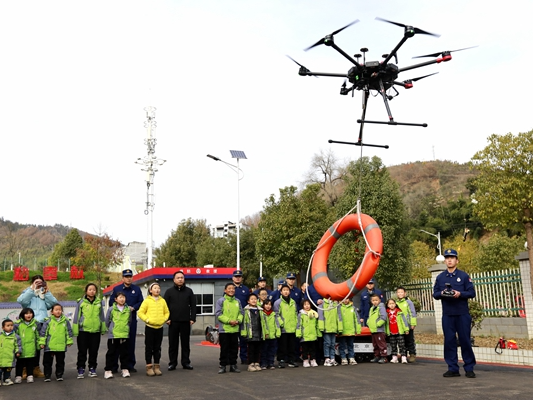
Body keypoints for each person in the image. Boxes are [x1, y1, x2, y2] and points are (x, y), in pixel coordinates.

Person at [433, 248, 477, 378]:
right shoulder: (440, 277)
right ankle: (452, 368)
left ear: (457, 260)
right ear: (445, 261)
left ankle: (469, 368)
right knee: (449, 341)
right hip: (448, 315)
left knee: (465, 341)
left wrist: (460, 294)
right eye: (447, 258)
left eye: (452, 258)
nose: (449, 260)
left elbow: (471, 293)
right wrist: (441, 293)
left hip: (462, 314)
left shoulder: (463, 276)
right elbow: (435, 294)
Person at [17, 274, 57, 378]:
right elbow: (22, 301)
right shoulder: (28, 292)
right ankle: (25, 369)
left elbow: (53, 304)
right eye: (36, 282)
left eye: (41, 282)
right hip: (29, 323)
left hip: (42, 322)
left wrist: (46, 292)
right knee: (27, 345)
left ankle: (35, 368)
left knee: (38, 346)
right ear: (32, 283)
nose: (39, 284)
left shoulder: (44, 293)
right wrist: (32, 289)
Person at [108, 269, 143, 373]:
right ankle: (114, 366)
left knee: (130, 343)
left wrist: (134, 308)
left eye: (130, 276)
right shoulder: (116, 289)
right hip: (118, 321)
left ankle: (129, 365)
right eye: (126, 276)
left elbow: (141, 301)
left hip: (130, 320)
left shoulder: (136, 289)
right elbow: (111, 302)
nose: (128, 278)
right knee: (116, 344)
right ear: (123, 278)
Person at [72, 283, 106, 379]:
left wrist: (102, 328)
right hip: (83, 331)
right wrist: (76, 330)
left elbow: (102, 317)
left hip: (95, 331)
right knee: (82, 351)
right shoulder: (81, 302)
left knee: (94, 351)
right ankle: (81, 369)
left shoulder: (99, 303)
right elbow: (76, 317)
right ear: (86, 291)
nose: (92, 291)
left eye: (94, 289)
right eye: (90, 289)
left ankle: (92, 368)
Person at [164, 270, 196, 371]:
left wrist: (192, 318)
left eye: (182, 277)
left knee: (185, 343)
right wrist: (167, 319)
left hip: (185, 321)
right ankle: (172, 363)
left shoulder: (189, 291)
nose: (180, 279)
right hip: (172, 322)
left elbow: (193, 305)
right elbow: (164, 307)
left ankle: (186, 362)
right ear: (174, 279)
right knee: (173, 344)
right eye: (178, 278)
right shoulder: (169, 292)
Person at [139, 282, 170, 377]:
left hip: (159, 328)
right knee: (149, 348)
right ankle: (149, 367)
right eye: (155, 288)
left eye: (158, 288)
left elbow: (167, 312)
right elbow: (140, 312)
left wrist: (164, 319)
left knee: (157, 348)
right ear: (150, 290)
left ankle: (157, 367)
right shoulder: (147, 301)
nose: (157, 290)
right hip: (150, 328)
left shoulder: (163, 301)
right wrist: (147, 320)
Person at [39, 303, 74, 382]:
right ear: (52, 312)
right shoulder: (48, 321)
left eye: (60, 310)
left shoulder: (65, 321)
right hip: (49, 346)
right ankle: (47, 375)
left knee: (60, 362)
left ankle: (59, 374)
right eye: (56, 310)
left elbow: (68, 332)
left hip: (61, 346)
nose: (58, 311)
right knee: (47, 362)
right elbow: (43, 333)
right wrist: (42, 343)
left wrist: (69, 341)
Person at [215, 282, 244, 374]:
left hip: (235, 329)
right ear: (225, 290)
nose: (231, 290)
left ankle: (233, 365)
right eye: (229, 288)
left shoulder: (237, 301)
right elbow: (218, 314)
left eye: (233, 288)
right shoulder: (221, 301)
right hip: (224, 330)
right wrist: (229, 321)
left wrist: (238, 321)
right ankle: (223, 365)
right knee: (224, 349)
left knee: (234, 349)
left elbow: (241, 313)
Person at [104, 292, 131, 379]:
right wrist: (111, 329)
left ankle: (124, 369)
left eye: (123, 297)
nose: (122, 299)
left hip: (124, 335)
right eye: (120, 297)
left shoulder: (128, 309)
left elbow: (129, 321)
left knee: (124, 353)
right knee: (111, 353)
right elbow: (107, 321)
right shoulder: (111, 309)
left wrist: (125, 328)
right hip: (113, 335)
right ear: (115, 299)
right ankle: (108, 370)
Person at [273, 283, 298, 368]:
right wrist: (281, 323)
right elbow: (276, 314)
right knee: (282, 346)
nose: (286, 292)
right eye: (284, 290)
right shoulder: (278, 302)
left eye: (287, 290)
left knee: (292, 345)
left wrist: (296, 324)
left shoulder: (293, 302)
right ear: (281, 292)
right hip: (283, 328)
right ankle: (281, 360)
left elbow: (295, 313)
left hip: (292, 327)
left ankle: (291, 360)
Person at [241, 293, 264, 372]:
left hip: (259, 333)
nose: (254, 300)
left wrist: (265, 332)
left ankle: (257, 363)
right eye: (252, 299)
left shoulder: (260, 310)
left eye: (255, 299)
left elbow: (264, 323)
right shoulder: (246, 311)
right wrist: (244, 332)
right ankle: (250, 364)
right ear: (248, 301)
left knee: (258, 349)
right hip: (250, 333)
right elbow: (244, 323)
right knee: (251, 350)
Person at [14, 308, 38, 384]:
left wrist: (39, 345)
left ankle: (30, 376)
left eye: (30, 313)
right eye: (26, 313)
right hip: (21, 348)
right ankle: (18, 376)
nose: (29, 315)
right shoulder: (18, 324)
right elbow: (15, 336)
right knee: (20, 363)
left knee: (30, 363)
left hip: (31, 348)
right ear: (22, 315)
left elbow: (38, 336)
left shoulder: (35, 324)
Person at [231, 270, 250, 364]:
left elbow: (249, 302)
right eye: (236, 276)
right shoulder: (230, 288)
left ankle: (244, 357)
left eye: (239, 276)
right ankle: (232, 359)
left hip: (243, 318)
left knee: (243, 339)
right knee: (233, 341)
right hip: (233, 319)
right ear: (232, 278)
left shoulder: (246, 289)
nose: (238, 278)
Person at [318, 298, 342, 366]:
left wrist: (339, 328)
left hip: (334, 328)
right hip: (326, 328)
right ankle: (327, 358)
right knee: (327, 343)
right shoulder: (322, 304)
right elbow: (321, 316)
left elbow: (339, 316)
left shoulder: (336, 304)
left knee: (332, 344)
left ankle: (332, 358)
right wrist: (321, 327)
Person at [396, 286, 418, 363]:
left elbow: (412, 313)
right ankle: (403, 355)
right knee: (402, 341)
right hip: (400, 326)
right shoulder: (396, 303)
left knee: (410, 340)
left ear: (405, 293)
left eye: (401, 292)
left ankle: (412, 354)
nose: (400, 294)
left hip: (408, 324)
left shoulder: (408, 302)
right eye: (398, 292)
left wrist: (413, 323)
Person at [296, 299, 320, 368]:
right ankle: (305, 360)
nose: (307, 306)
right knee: (305, 349)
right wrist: (299, 334)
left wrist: (318, 334)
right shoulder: (301, 314)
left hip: (313, 335)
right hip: (305, 336)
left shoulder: (314, 314)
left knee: (313, 349)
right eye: (305, 304)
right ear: (302, 306)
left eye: (308, 304)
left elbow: (316, 325)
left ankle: (313, 360)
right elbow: (299, 325)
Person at [338, 297, 361, 366]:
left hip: (351, 331)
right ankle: (343, 358)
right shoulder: (339, 308)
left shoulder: (353, 308)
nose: (345, 300)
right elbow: (338, 318)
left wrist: (358, 329)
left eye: (347, 298)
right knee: (342, 346)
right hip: (342, 331)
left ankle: (351, 358)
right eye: (344, 299)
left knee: (350, 345)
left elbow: (357, 319)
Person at [385, 298, 409, 364]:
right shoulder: (386, 313)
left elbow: (404, 321)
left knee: (402, 345)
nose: (391, 305)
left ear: (395, 304)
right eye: (390, 304)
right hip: (391, 332)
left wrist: (406, 329)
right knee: (393, 345)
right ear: (387, 305)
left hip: (399, 332)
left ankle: (403, 357)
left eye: (393, 303)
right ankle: (394, 357)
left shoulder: (399, 312)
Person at [259, 299, 281, 370]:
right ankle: (263, 363)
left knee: (272, 350)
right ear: (263, 305)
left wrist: (277, 332)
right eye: (266, 304)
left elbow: (277, 324)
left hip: (273, 335)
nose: (268, 306)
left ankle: (271, 362)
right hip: (265, 336)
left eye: (269, 304)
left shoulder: (273, 314)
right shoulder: (261, 313)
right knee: (264, 350)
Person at [367, 294, 387, 364]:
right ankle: (377, 356)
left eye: (376, 300)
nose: (375, 302)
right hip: (373, 330)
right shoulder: (372, 308)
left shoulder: (381, 307)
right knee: (375, 344)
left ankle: (383, 356)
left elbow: (383, 317)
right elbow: (369, 317)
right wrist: (368, 323)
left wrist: (377, 324)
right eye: (373, 300)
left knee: (381, 344)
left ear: (379, 300)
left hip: (379, 330)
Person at [0, 319, 21, 386]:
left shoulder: (15, 336)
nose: (10, 327)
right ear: (3, 327)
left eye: (12, 325)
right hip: (1, 357)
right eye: (8, 325)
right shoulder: (0, 336)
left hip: (10, 357)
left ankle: (7, 379)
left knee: (8, 369)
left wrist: (18, 351)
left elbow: (18, 345)